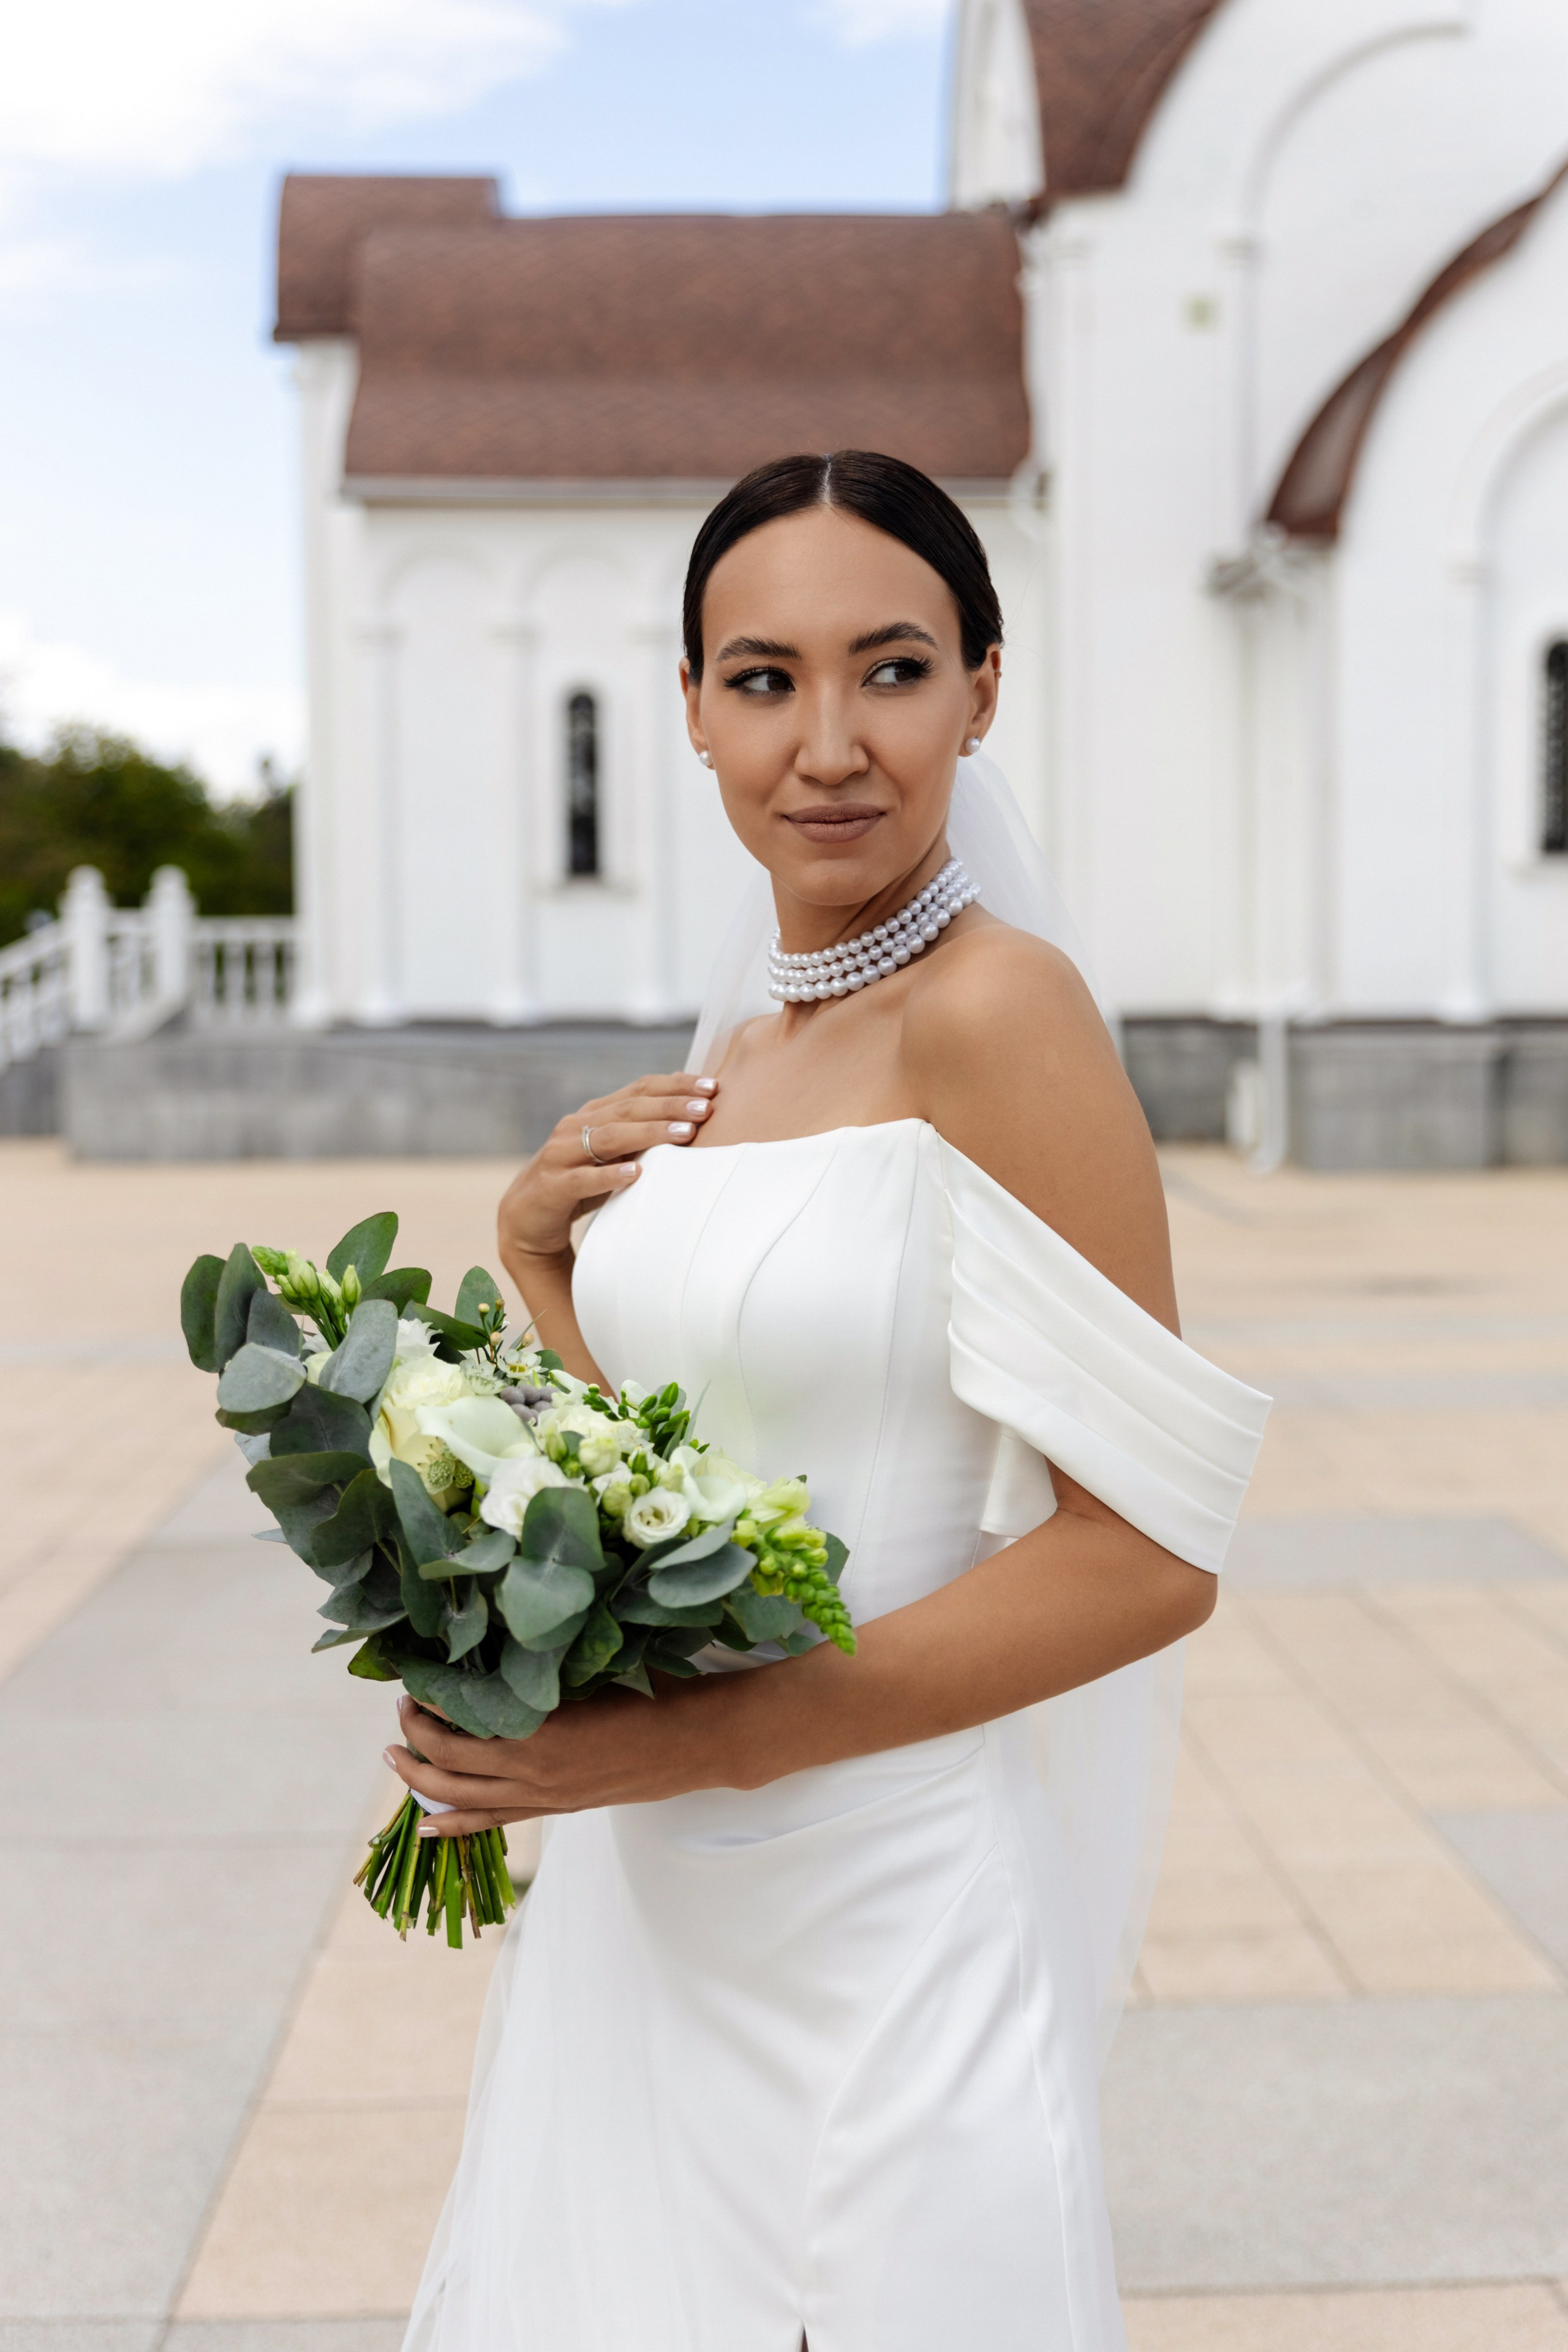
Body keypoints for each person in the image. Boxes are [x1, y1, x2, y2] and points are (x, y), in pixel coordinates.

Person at [392, 450, 1270, 2351]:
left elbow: (1147, 1557)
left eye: (891, 670)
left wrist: (675, 1749)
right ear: (694, 712)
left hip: (887, 1907)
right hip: (651, 1914)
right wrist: (540, 1273)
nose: (830, 743)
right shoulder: (732, 1054)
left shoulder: (999, 1011)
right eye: (765, 680)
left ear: (982, 687)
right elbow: (676, 1490)